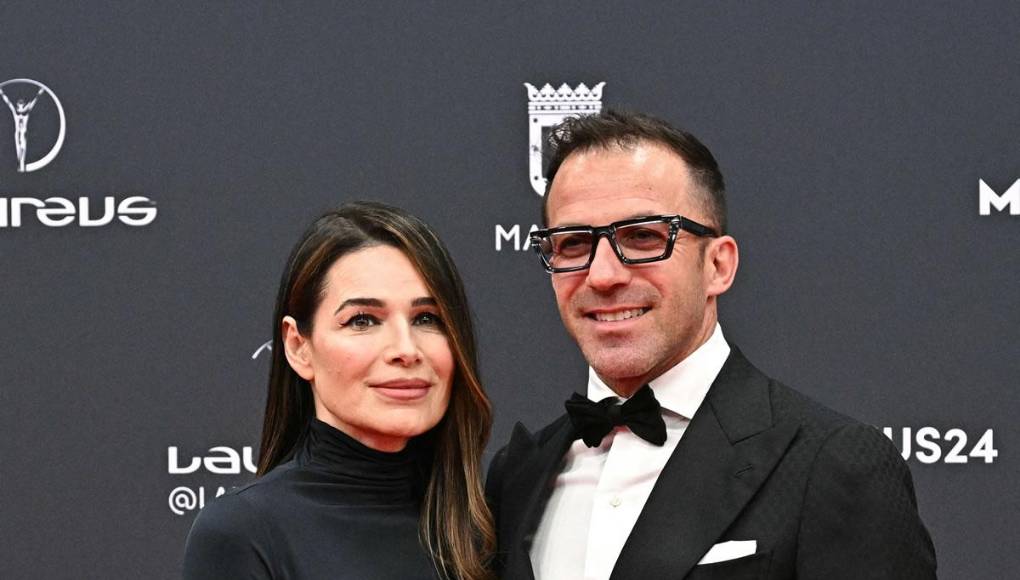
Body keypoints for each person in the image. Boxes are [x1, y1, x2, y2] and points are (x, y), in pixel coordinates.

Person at [485, 110, 937, 580]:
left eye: (643, 237)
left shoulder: (832, 464)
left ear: (718, 265)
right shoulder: (516, 477)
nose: (603, 275)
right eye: (574, 243)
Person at [183, 201, 495, 580]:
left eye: (426, 319)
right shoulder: (244, 534)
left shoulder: (484, 534)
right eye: (362, 320)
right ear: (298, 347)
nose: (406, 350)